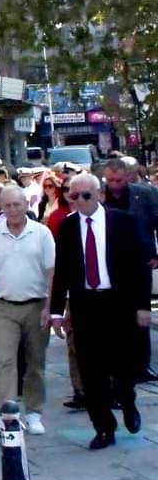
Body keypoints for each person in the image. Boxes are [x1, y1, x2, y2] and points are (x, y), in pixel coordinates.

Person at [48, 172, 152, 449]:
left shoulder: (123, 222)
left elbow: (140, 267)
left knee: (123, 365)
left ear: (100, 195)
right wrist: (57, 310)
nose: (80, 201)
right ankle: (104, 427)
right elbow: (62, 272)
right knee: (91, 370)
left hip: (119, 303)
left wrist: (143, 306)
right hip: (85, 306)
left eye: (86, 195)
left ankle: (128, 402)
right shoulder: (68, 228)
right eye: (74, 196)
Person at [0, 184, 56, 436]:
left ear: (26, 205)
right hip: (5, 306)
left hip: (36, 304)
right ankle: (7, 414)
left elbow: (52, 272)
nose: (13, 210)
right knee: (6, 361)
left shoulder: (41, 233)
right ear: (2, 207)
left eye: (17, 204)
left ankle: (34, 412)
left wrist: (50, 307)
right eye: (7, 205)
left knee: (35, 361)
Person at [101, 157, 158, 382]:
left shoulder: (144, 194)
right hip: (109, 263)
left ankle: (142, 365)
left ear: (128, 177)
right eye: (110, 180)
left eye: (118, 180)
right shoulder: (99, 195)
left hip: (140, 262)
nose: (114, 185)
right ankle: (118, 367)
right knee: (115, 318)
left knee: (141, 316)